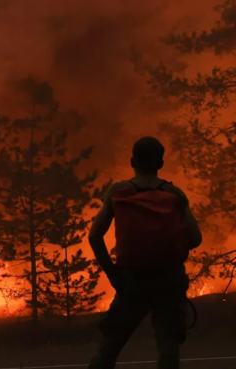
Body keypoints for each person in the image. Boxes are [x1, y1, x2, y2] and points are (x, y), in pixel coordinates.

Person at [88, 137, 202, 369]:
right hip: (170, 280)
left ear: (132, 161)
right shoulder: (175, 194)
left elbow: (94, 236)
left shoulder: (118, 192)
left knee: (110, 344)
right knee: (168, 345)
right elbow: (196, 238)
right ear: (160, 163)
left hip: (132, 281)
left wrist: (112, 273)